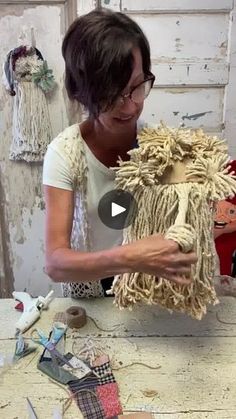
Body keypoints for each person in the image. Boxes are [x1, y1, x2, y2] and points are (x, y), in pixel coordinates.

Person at [43, 8, 197, 298]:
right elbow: (55, 263)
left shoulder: (160, 149)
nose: (129, 106)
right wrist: (132, 257)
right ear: (82, 91)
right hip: (90, 292)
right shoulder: (64, 154)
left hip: (149, 290)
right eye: (111, 93)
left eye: (136, 87)